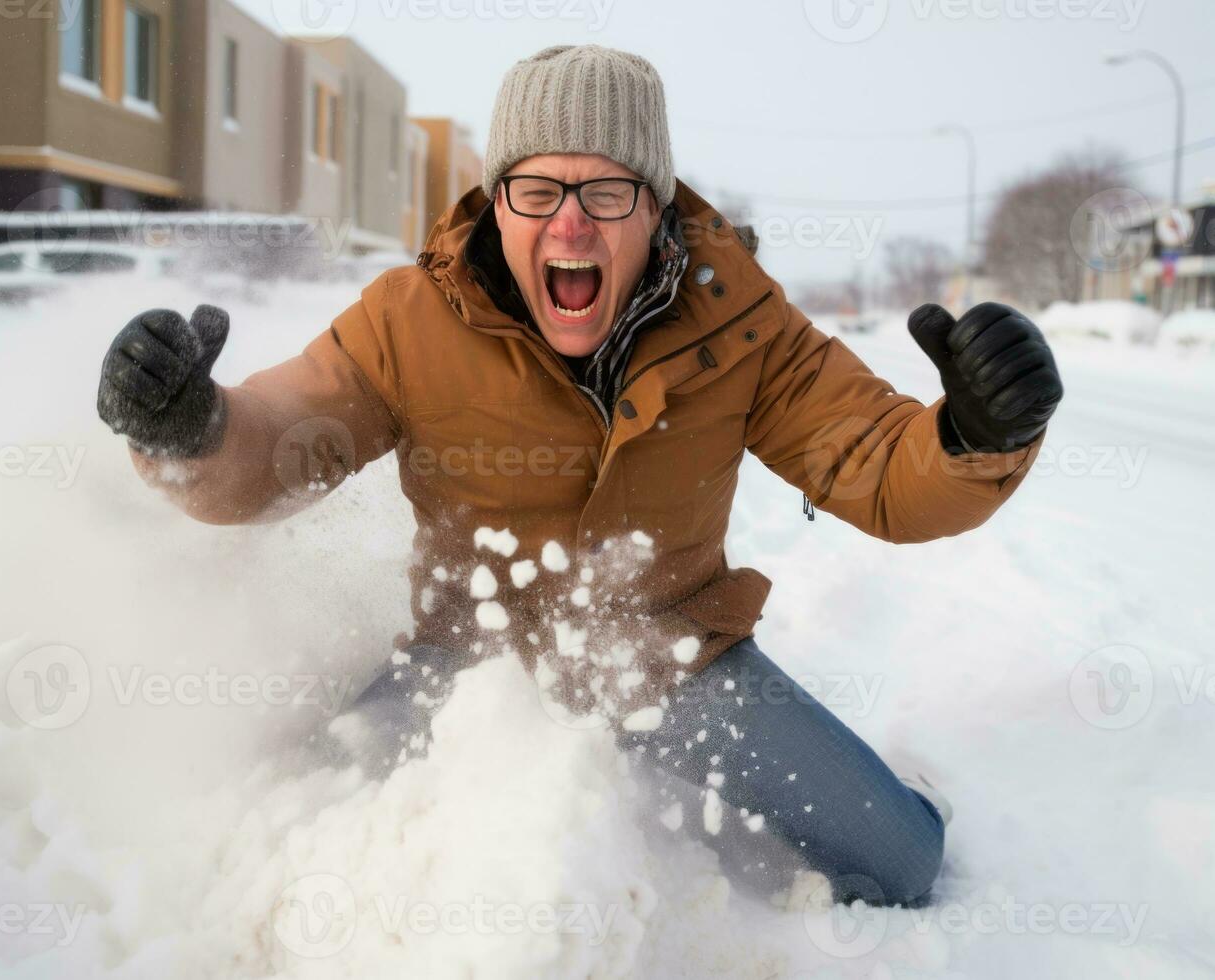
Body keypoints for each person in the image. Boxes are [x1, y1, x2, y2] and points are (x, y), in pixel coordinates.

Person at [96, 45, 1062, 907]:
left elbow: (881, 467)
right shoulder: (407, 319)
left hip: (673, 652)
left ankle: (902, 803)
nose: (571, 224)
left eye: (607, 193)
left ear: (656, 206)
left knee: (899, 866)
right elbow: (283, 443)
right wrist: (192, 431)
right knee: (309, 819)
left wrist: (978, 433)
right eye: (538, 190)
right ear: (498, 199)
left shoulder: (741, 324)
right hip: (464, 662)